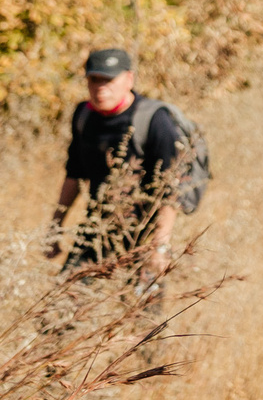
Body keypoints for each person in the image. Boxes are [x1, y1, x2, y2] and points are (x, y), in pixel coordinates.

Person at [47, 47, 182, 278]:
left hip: (145, 234)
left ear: (129, 79)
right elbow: (74, 174)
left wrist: (159, 246)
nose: (101, 87)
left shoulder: (155, 121)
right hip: (97, 226)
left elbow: (169, 189)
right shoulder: (84, 116)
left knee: (139, 312)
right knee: (65, 303)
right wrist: (55, 229)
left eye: (109, 79)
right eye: (94, 79)